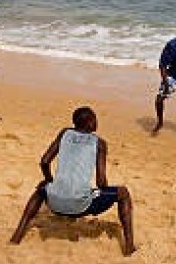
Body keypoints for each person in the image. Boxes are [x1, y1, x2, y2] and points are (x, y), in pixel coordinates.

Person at [9, 106, 136, 256]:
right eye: (94, 119)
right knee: (123, 193)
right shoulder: (99, 143)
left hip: (54, 203)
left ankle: (17, 236)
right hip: (80, 206)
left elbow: (44, 162)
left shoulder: (64, 133)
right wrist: (101, 191)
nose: (97, 122)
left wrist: (50, 181)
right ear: (89, 123)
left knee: (40, 190)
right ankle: (129, 246)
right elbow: (101, 182)